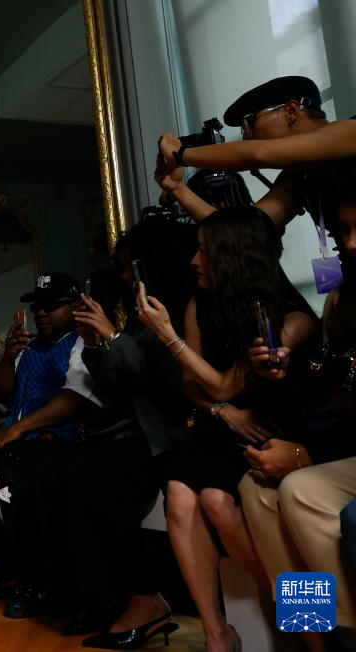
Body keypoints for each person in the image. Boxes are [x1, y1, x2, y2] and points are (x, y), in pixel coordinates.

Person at [137, 206, 319, 652]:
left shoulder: (288, 317)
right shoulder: (201, 304)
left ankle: (312, 626)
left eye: (203, 251)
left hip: (275, 434)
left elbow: (221, 383)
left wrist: (167, 336)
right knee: (179, 492)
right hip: (222, 429)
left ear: (232, 256)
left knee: (216, 501)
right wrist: (223, 411)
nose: (194, 261)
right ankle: (218, 635)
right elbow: (192, 384)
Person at [66, 218, 198, 646]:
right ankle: (109, 599)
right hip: (145, 433)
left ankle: (140, 600)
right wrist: (95, 344)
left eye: (130, 265)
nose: (124, 275)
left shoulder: (178, 312)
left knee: (91, 475)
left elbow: (166, 385)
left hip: (176, 435)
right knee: (73, 471)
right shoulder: (146, 319)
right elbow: (118, 393)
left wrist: (113, 335)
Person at [239, 195, 356, 652]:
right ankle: (315, 638)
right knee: (256, 490)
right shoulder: (342, 296)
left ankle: (347, 634)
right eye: (344, 231)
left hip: (341, 451)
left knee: (300, 490)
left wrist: (307, 456)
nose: (349, 243)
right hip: (338, 443)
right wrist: (285, 371)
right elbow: (332, 389)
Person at [0, 273, 101, 618]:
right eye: (37, 307)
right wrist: (8, 356)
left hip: (59, 438)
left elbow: (73, 400)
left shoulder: (81, 342)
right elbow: (1, 391)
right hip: (20, 436)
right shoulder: (29, 346)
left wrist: (18, 428)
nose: (42, 313)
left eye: (52, 306)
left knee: (13, 464)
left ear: (74, 306)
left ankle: (34, 577)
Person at [155, 76, 356, 283]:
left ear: (291, 111)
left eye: (248, 122)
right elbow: (238, 232)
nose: (246, 137)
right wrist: (177, 188)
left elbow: (258, 153)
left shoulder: (351, 132)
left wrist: (181, 155)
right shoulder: (300, 177)